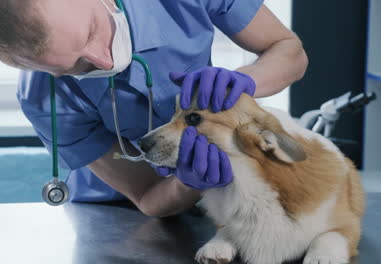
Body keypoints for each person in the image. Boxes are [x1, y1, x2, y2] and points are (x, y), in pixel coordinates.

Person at [0, 0, 308, 217]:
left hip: (223, 199)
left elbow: (288, 50)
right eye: (76, 67)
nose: (105, 61)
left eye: (93, 31)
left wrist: (245, 81)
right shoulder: (44, 99)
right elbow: (146, 196)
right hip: (111, 212)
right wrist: (187, 183)